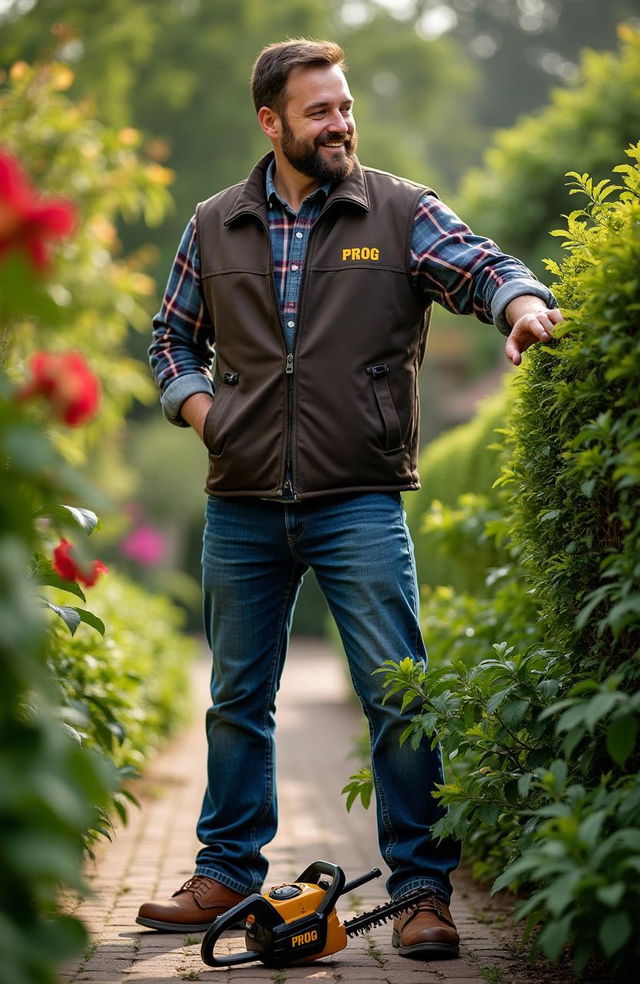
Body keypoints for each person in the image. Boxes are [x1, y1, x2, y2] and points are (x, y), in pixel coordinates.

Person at [137, 39, 562, 959]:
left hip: (358, 497)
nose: (340, 124)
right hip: (242, 501)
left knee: (397, 696)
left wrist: (522, 303)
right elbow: (170, 339)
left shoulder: (399, 210)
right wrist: (206, 414)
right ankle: (223, 873)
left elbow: (483, 265)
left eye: (345, 106)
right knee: (236, 699)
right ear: (271, 122)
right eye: (319, 111)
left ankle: (420, 895)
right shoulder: (214, 224)